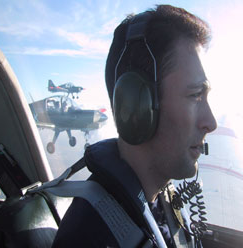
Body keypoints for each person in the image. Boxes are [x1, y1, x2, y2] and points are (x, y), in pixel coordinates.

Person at [52, 4, 217, 248]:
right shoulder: (90, 237)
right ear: (138, 105)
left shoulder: (159, 204)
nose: (211, 123)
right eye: (195, 95)